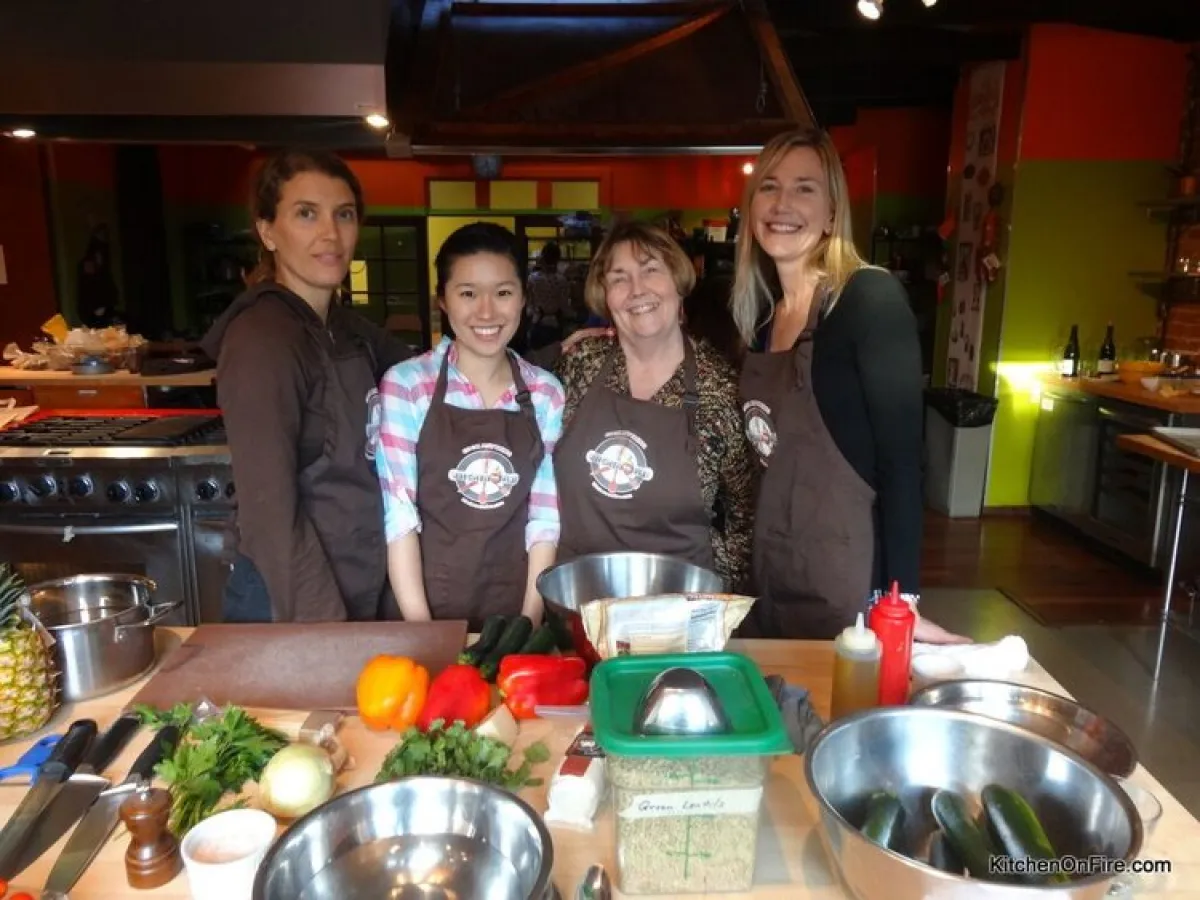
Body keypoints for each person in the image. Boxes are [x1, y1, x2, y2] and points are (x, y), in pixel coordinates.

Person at [731, 126, 967, 643]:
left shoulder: (868, 301)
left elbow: (904, 462)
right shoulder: (761, 322)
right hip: (773, 573)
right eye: (769, 187)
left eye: (805, 188)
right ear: (751, 207)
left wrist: (901, 600)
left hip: (849, 582)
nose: (782, 203)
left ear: (833, 212)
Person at [201, 149, 414, 623]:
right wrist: (327, 633)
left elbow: (434, 371)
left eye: (344, 215)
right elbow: (270, 514)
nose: (330, 235)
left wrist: (554, 358)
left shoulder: (343, 326)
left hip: (356, 580)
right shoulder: (263, 340)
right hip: (294, 602)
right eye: (305, 214)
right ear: (267, 231)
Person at [376, 223, 565, 630]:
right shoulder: (407, 386)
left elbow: (545, 521)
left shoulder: (545, 393)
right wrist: (425, 634)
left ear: (523, 298)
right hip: (423, 608)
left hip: (515, 606)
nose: (486, 312)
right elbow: (400, 516)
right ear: (442, 300)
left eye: (502, 293)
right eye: (467, 293)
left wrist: (526, 628)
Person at [553, 221, 754, 593]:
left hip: (680, 613)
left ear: (677, 281)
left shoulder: (720, 388)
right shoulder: (579, 364)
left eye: (650, 270)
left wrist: (713, 600)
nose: (637, 290)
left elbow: (744, 517)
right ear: (605, 296)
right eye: (619, 278)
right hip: (577, 602)